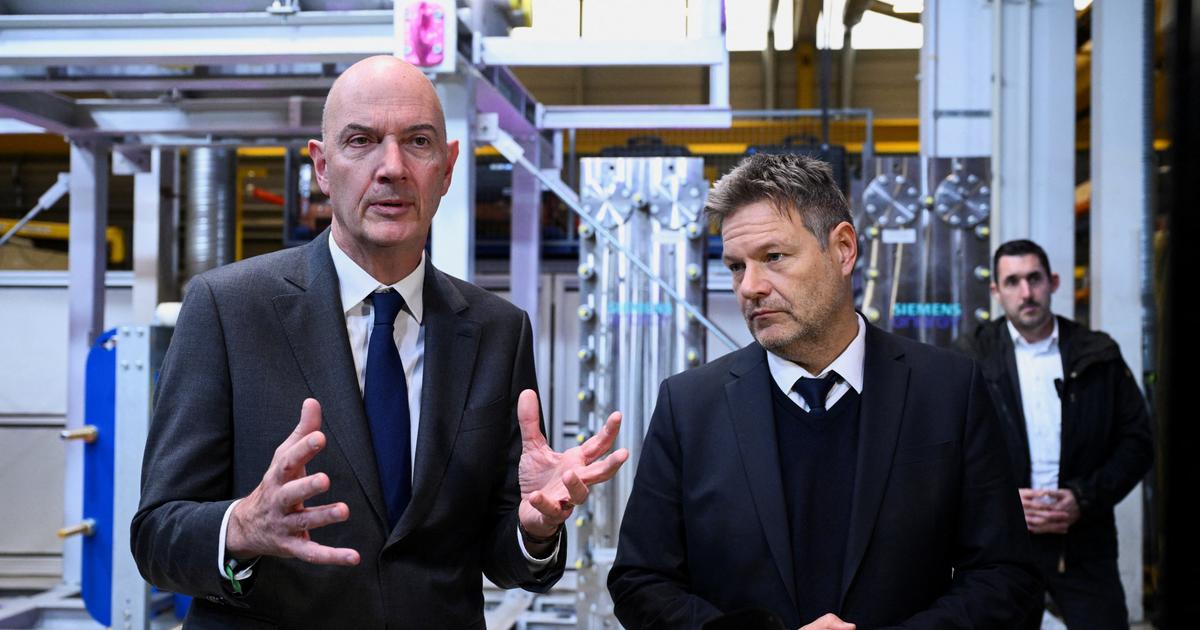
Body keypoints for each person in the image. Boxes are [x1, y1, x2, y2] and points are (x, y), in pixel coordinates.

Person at [131, 55, 628, 629]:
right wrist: (241, 527)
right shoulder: (229, 309)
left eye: (417, 142)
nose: (392, 168)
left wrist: (533, 528)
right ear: (322, 167)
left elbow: (500, 552)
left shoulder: (497, 330)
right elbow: (157, 535)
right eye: (361, 141)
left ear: (447, 168)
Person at [608, 153, 1040, 630]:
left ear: (843, 249)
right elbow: (640, 582)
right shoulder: (689, 408)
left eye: (773, 257)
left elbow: (1005, 577)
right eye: (736, 266)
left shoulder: (948, 391)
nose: (750, 287)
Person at [956, 239, 1153, 629]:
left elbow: (1138, 442)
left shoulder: (1097, 353)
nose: (1026, 292)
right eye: (1012, 282)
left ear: (1054, 282)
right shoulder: (971, 356)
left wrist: (1084, 497)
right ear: (995, 291)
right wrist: (1003, 502)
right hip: (1002, 545)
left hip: (1083, 541)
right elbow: (948, 449)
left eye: (1034, 278)